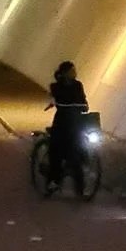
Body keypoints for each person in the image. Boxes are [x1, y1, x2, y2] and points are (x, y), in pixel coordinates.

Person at [45, 61, 89, 194]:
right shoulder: (56, 86)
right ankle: (53, 181)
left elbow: (83, 100)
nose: (74, 73)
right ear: (64, 73)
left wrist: (84, 106)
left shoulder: (78, 85)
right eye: (71, 71)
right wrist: (54, 101)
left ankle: (80, 188)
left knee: (78, 151)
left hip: (76, 120)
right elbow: (54, 98)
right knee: (56, 151)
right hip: (62, 121)